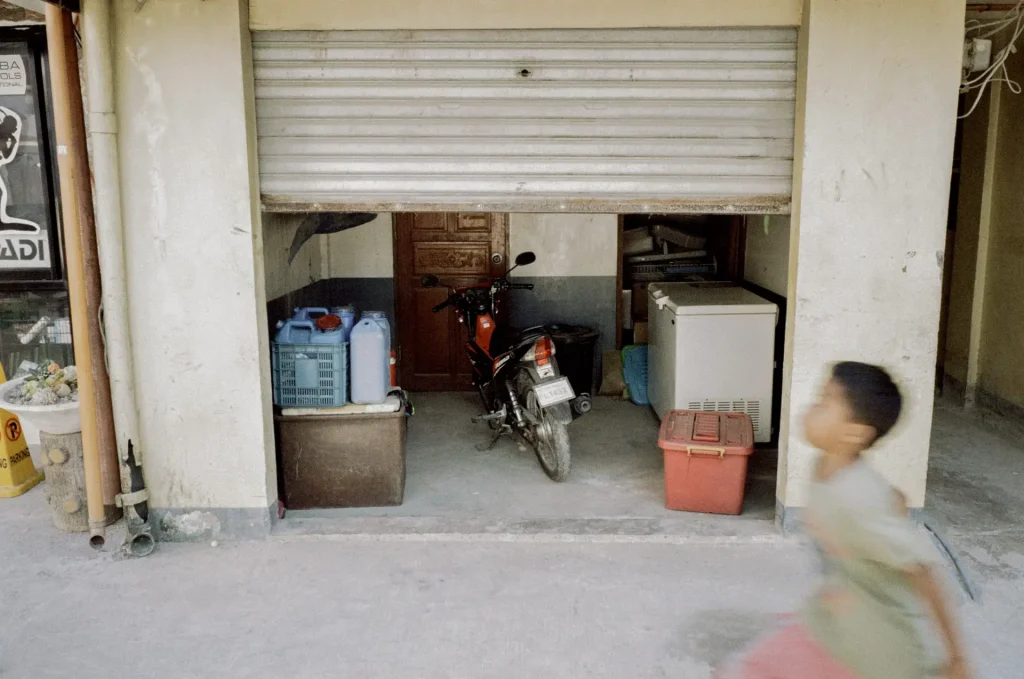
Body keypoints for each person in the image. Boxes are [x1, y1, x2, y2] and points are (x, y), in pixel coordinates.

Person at [718, 361, 971, 679]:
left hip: (875, 652)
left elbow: (923, 572)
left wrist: (958, 658)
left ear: (855, 434)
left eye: (825, 402)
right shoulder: (826, 465)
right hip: (831, 622)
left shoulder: (856, 498)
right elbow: (894, 500)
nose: (812, 408)